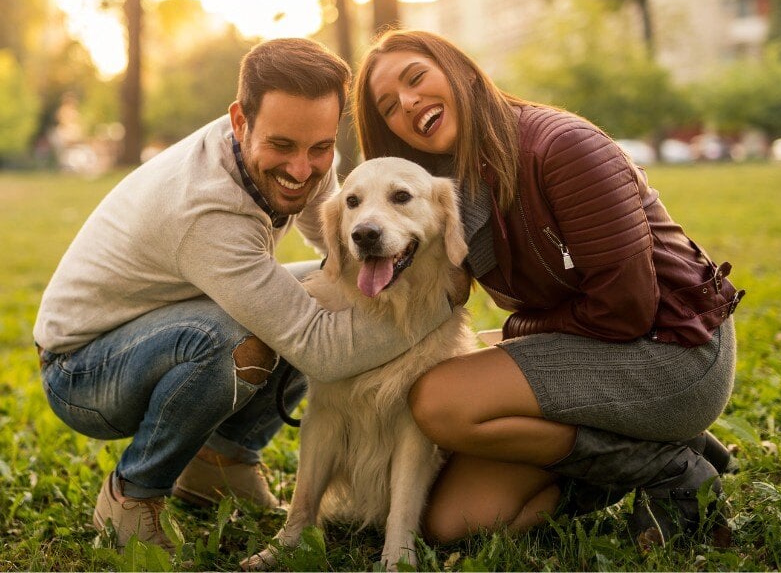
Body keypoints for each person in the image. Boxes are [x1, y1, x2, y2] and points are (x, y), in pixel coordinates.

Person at [33, 38, 453, 551]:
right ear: (240, 121)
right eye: (282, 147)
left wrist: (407, 273)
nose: (303, 169)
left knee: (309, 289)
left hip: (164, 320)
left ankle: (222, 461)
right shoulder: (203, 211)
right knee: (239, 335)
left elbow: (336, 258)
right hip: (84, 372)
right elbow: (315, 347)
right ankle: (133, 494)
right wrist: (443, 304)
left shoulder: (304, 149)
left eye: (320, 148)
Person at [353, 28, 744, 549]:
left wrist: (516, 333)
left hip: (672, 353)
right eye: (388, 107)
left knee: (441, 398)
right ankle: (636, 441)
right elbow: (410, 290)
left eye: (416, 77)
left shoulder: (560, 145)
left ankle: (667, 466)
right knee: (454, 522)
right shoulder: (445, 192)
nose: (407, 102)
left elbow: (627, 309)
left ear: (462, 71)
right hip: (592, 351)